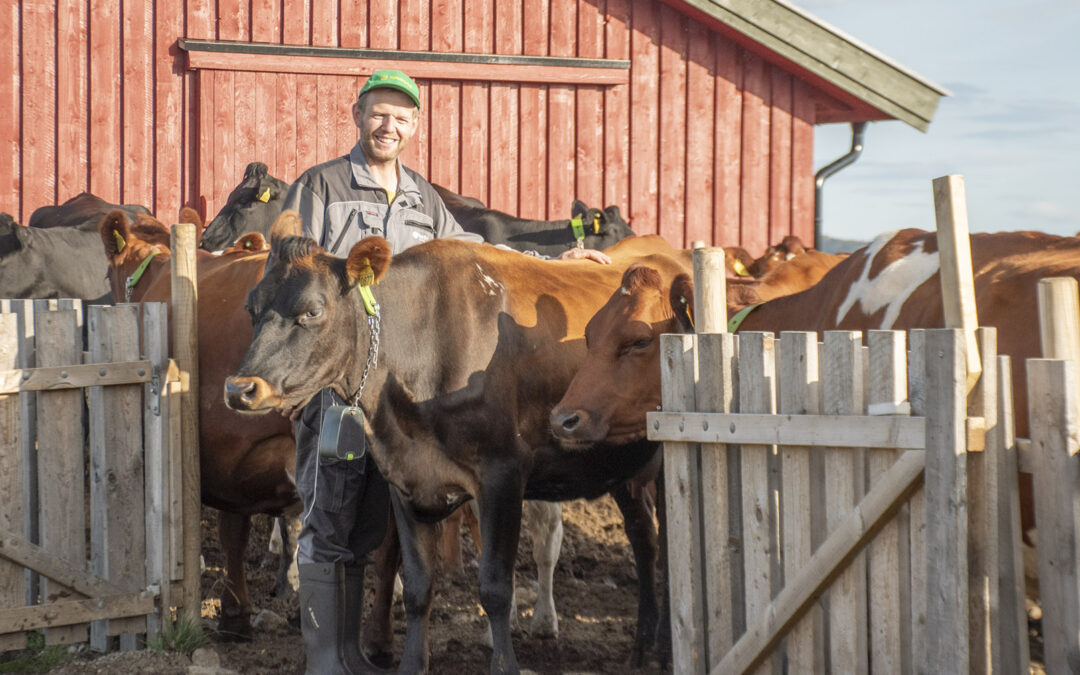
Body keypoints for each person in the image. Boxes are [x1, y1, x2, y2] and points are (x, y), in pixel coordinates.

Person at [282, 69, 610, 674]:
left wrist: (551, 259)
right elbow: (288, 278)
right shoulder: (320, 187)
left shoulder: (420, 198)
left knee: (377, 526)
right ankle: (327, 660)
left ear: (414, 126)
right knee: (331, 517)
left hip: (403, 400)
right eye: (379, 114)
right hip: (337, 390)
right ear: (357, 116)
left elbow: (475, 253)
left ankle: (358, 651)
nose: (389, 126)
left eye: (401, 117)